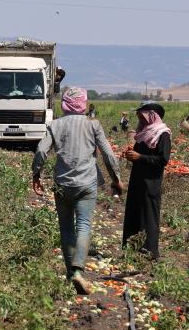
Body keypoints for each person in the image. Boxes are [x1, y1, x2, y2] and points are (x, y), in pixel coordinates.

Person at [32, 87, 124, 294]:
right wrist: (116, 179)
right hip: (86, 183)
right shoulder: (93, 125)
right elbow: (108, 154)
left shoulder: (55, 125)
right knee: (83, 225)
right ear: (83, 104)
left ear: (64, 104)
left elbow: (40, 150)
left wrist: (35, 174)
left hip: (62, 184)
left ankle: (70, 274)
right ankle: (77, 270)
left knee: (66, 229)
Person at [121, 102, 172, 260]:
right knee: (135, 212)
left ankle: (149, 252)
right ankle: (131, 249)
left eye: (142, 118)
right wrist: (131, 153)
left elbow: (163, 159)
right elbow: (138, 154)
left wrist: (140, 157)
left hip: (151, 182)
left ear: (152, 116)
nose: (140, 121)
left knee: (148, 215)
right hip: (138, 179)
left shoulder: (162, 134)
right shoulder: (144, 133)